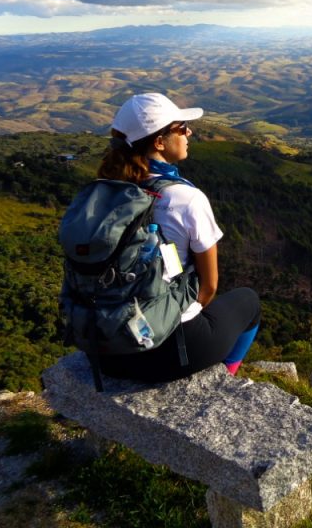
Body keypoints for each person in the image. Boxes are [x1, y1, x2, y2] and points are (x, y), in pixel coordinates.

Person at [94, 92, 260, 382]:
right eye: (182, 127)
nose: (189, 132)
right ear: (159, 142)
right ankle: (227, 378)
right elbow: (208, 289)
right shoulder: (185, 198)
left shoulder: (104, 191)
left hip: (105, 350)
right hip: (167, 353)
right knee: (249, 301)